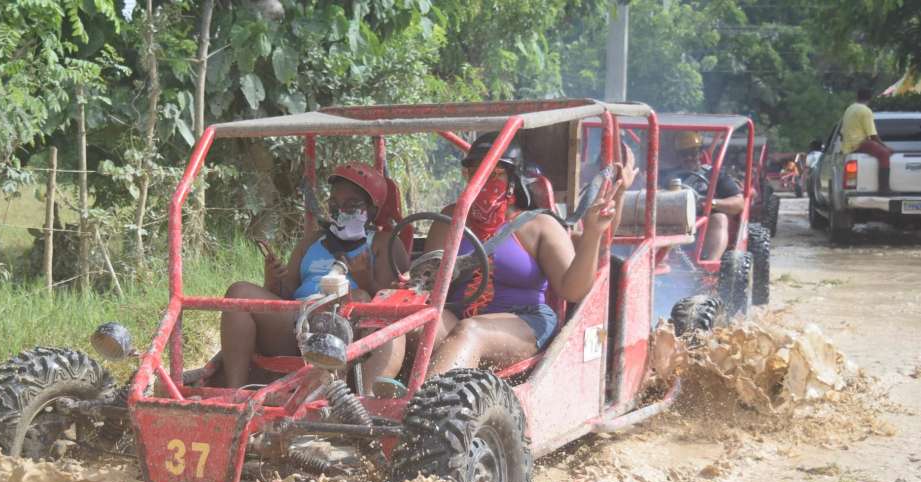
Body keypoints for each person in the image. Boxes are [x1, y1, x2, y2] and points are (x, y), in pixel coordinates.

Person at [413, 132, 634, 378]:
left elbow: (573, 290)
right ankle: (369, 404)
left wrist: (593, 232)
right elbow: (428, 282)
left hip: (524, 323)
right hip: (457, 318)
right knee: (409, 320)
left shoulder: (539, 225)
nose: (483, 182)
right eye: (476, 173)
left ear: (512, 179)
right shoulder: (449, 220)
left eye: (495, 174)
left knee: (469, 331)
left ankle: (428, 409)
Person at [218, 162, 409, 391]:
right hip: (297, 324)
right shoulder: (312, 241)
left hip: (349, 327)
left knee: (355, 295)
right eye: (335, 205)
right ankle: (233, 394)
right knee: (238, 292)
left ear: (372, 210)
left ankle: (335, 391)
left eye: (351, 205)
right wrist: (273, 280)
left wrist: (365, 279)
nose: (341, 211)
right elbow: (286, 292)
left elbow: (391, 303)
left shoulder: (384, 243)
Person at [660, 131, 744, 261]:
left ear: (700, 153)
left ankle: (709, 265)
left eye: (693, 153)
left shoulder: (714, 174)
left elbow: (739, 203)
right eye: (684, 154)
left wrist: (711, 203)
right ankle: (658, 262)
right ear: (678, 156)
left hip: (705, 223)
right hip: (674, 221)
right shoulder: (667, 176)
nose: (689, 158)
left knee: (719, 218)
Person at [841, 87, 892, 194]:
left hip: (848, 145)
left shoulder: (849, 109)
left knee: (882, 150)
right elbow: (873, 135)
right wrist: (885, 147)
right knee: (885, 154)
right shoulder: (865, 111)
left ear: (857, 97)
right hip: (859, 143)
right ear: (870, 98)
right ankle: (884, 188)